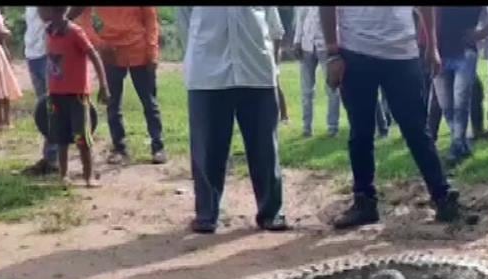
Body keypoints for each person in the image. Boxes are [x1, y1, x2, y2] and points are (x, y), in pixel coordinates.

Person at [320, 6, 473, 229]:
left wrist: (432, 46)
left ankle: (442, 196)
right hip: (355, 51)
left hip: (402, 53)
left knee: (417, 130)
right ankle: (364, 201)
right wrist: (332, 52)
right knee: (361, 131)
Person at [178, 6, 289, 234]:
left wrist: (274, 73)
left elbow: (274, 29)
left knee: (265, 148)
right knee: (207, 150)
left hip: (257, 72)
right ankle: (207, 215)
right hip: (207, 75)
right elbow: (185, 27)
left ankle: (271, 212)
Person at [74, 7, 166, 165]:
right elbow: (83, 20)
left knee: (149, 103)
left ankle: (158, 147)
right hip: (111, 52)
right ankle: (120, 148)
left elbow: (151, 19)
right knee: (113, 103)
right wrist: (100, 44)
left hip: (140, 50)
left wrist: (152, 52)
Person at [40, 6, 109, 188]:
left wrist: (103, 85)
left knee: (81, 138)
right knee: (60, 136)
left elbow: (94, 55)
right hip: (55, 95)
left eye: (42, 10)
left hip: (76, 95)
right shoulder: (48, 32)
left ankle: (88, 177)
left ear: (56, 11)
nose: (39, 13)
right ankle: (63, 175)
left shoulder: (74, 32)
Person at [432, 6, 488, 167]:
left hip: (465, 52)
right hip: (440, 53)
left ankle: (457, 146)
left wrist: (483, 32)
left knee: (461, 103)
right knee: (447, 106)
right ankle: (462, 142)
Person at [21, 6, 59, 175]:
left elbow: (53, 15)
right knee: (45, 109)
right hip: (33, 54)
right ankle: (49, 157)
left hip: (47, 54)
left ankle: (53, 159)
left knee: (52, 108)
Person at [293, 6, 339, 138]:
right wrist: (297, 41)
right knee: (306, 90)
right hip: (307, 45)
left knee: (332, 88)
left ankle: (332, 127)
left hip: (325, 46)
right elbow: (300, 18)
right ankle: (306, 127)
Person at [0, 7, 22, 131]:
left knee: (0, 86)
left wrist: (5, 49)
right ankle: (0, 119)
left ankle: (4, 120)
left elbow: (2, 33)